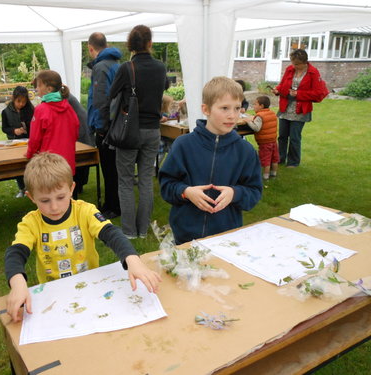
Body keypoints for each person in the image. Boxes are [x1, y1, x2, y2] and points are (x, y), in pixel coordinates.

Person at [4, 152, 161, 322]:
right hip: (53, 292)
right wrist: (18, 283)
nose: (54, 207)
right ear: (31, 197)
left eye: (61, 197)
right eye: (45, 201)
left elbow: (111, 233)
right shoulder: (31, 223)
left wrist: (133, 260)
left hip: (90, 286)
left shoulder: (85, 211)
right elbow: (15, 253)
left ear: (71, 188)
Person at [159, 77, 262, 245]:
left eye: (237, 108)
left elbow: (254, 191)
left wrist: (234, 193)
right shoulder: (184, 145)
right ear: (206, 109)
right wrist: (186, 192)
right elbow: (166, 185)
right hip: (184, 236)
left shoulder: (245, 151)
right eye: (224, 108)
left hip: (226, 236)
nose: (232, 115)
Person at [106, 25, 168, 239]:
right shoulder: (160, 67)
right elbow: (164, 88)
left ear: (130, 44)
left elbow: (111, 94)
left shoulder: (126, 68)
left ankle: (130, 232)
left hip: (128, 130)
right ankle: (143, 230)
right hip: (153, 130)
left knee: (124, 181)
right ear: (150, 43)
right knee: (145, 180)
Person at [87, 32, 122, 219]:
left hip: (107, 128)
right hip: (116, 125)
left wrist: (100, 129)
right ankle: (112, 204)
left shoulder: (101, 67)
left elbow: (100, 100)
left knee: (109, 169)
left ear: (90, 48)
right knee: (113, 169)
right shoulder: (116, 64)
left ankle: (113, 207)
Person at [272, 49, 326, 167]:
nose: (294, 66)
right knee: (282, 136)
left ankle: (293, 162)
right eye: (293, 63)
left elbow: (317, 93)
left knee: (295, 137)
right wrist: (277, 90)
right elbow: (282, 85)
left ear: (304, 62)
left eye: (296, 64)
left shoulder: (313, 72)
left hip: (300, 110)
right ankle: (280, 159)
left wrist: (299, 94)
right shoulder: (289, 69)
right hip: (285, 107)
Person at [27, 71, 79, 175]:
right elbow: (76, 132)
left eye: (39, 85)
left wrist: (29, 155)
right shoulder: (68, 107)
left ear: (49, 89)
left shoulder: (41, 109)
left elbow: (35, 139)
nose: (36, 89)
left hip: (48, 164)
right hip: (66, 162)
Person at [1, 85, 34, 198]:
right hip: (14, 143)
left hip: (29, 142)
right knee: (18, 167)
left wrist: (27, 129)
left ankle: (33, 188)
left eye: (24, 102)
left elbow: (35, 126)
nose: (21, 104)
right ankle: (22, 188)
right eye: (18, 101)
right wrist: (14, 131)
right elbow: (4, 128)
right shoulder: (5, 112)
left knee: (31, 166)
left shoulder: (31, 110)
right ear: (13, 98)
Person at [242, 96, 279, 180]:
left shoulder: (260, 116)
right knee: (274, 158)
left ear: (261, 106)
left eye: (255, 104)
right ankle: (274, 174)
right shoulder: (272, 113)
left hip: (264, 143)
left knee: (266, 159)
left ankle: (265, 177)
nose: (253, 106)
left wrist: (249, 121)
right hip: (273, 141)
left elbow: (256, 128)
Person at [67, 92, 93, 197]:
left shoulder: (63, 98)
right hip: (83, 126)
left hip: (81, 129)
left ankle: (77, 187)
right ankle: (79, 186)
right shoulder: (67, 96)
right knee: (81, 161)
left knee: (80, 159)